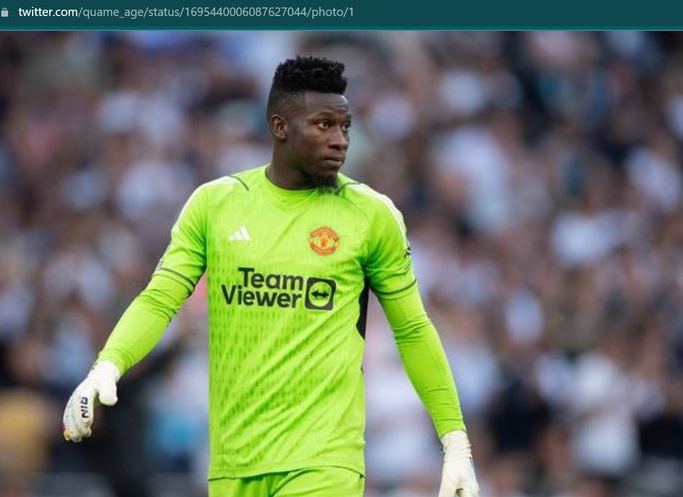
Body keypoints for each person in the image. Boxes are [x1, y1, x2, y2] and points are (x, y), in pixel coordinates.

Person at [63, 55, 480, 497]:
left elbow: (413, 328)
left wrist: (455, 442)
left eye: (345, 126)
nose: (340, 140)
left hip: (323, 461)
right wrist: (106, 366)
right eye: (324, 125)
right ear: (280, 126)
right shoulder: (215, 205)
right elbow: (159, 298)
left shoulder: (371, 216)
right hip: (232, 462)